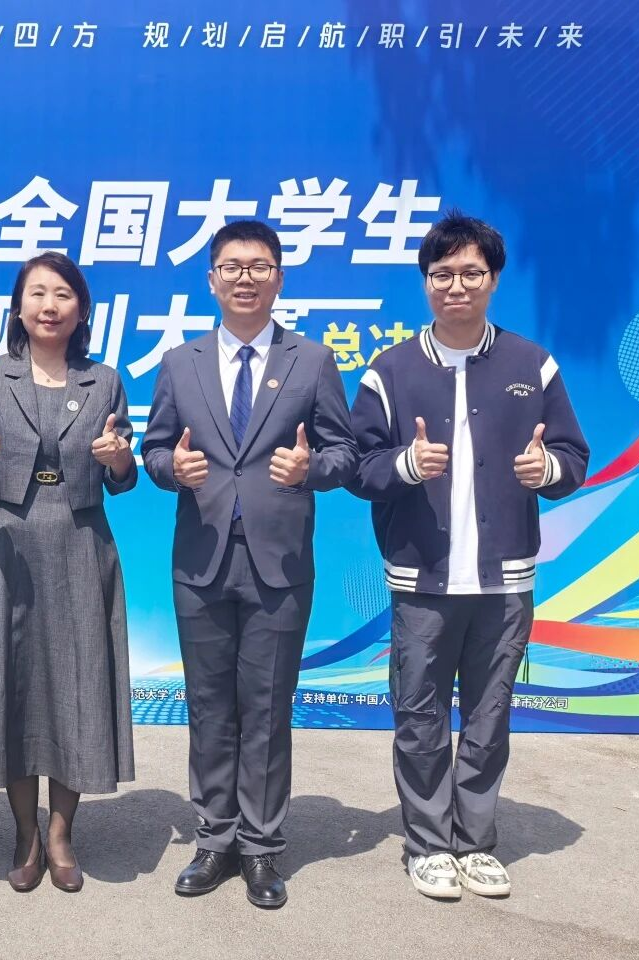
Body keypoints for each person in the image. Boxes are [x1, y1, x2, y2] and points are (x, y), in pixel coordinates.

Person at [347, 211, 589, 900]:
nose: (457, 286)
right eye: (442, 274)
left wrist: (547, 468)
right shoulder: (390, 370)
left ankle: (474, 841)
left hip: (503, 579)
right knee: (419, 713)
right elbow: (357, 465)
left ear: (494, 279)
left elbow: (573, 456)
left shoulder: (531, 364)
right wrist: (406, 464)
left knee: (489, 714)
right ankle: (428, 844)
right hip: (422, 577)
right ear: (425, 282)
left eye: (471, 273)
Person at [141, 220, 359, 909]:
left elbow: (344, 454)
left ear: (278, 278)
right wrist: (171, 469)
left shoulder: (311, 360)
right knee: (209, 706)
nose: (245, 277)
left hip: (279, 564)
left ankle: (262, 847)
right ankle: (213, 839)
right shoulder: (180, 362)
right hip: (201, 561)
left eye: (259, 266)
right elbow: (153, 450)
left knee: (265, 709)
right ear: (211, 279)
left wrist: (311, 469)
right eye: (232, 266)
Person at [0, 251, 136, 894]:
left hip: (80, 542)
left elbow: (124, 477)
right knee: (12, 684)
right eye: (37, 293)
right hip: (6, 543)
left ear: (81, 309)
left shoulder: (103, 380)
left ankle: (60, 834)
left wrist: (117, 458)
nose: (49, 305)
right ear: (18, 307)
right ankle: (24, 833)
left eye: (62, 294)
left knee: (75, 686)